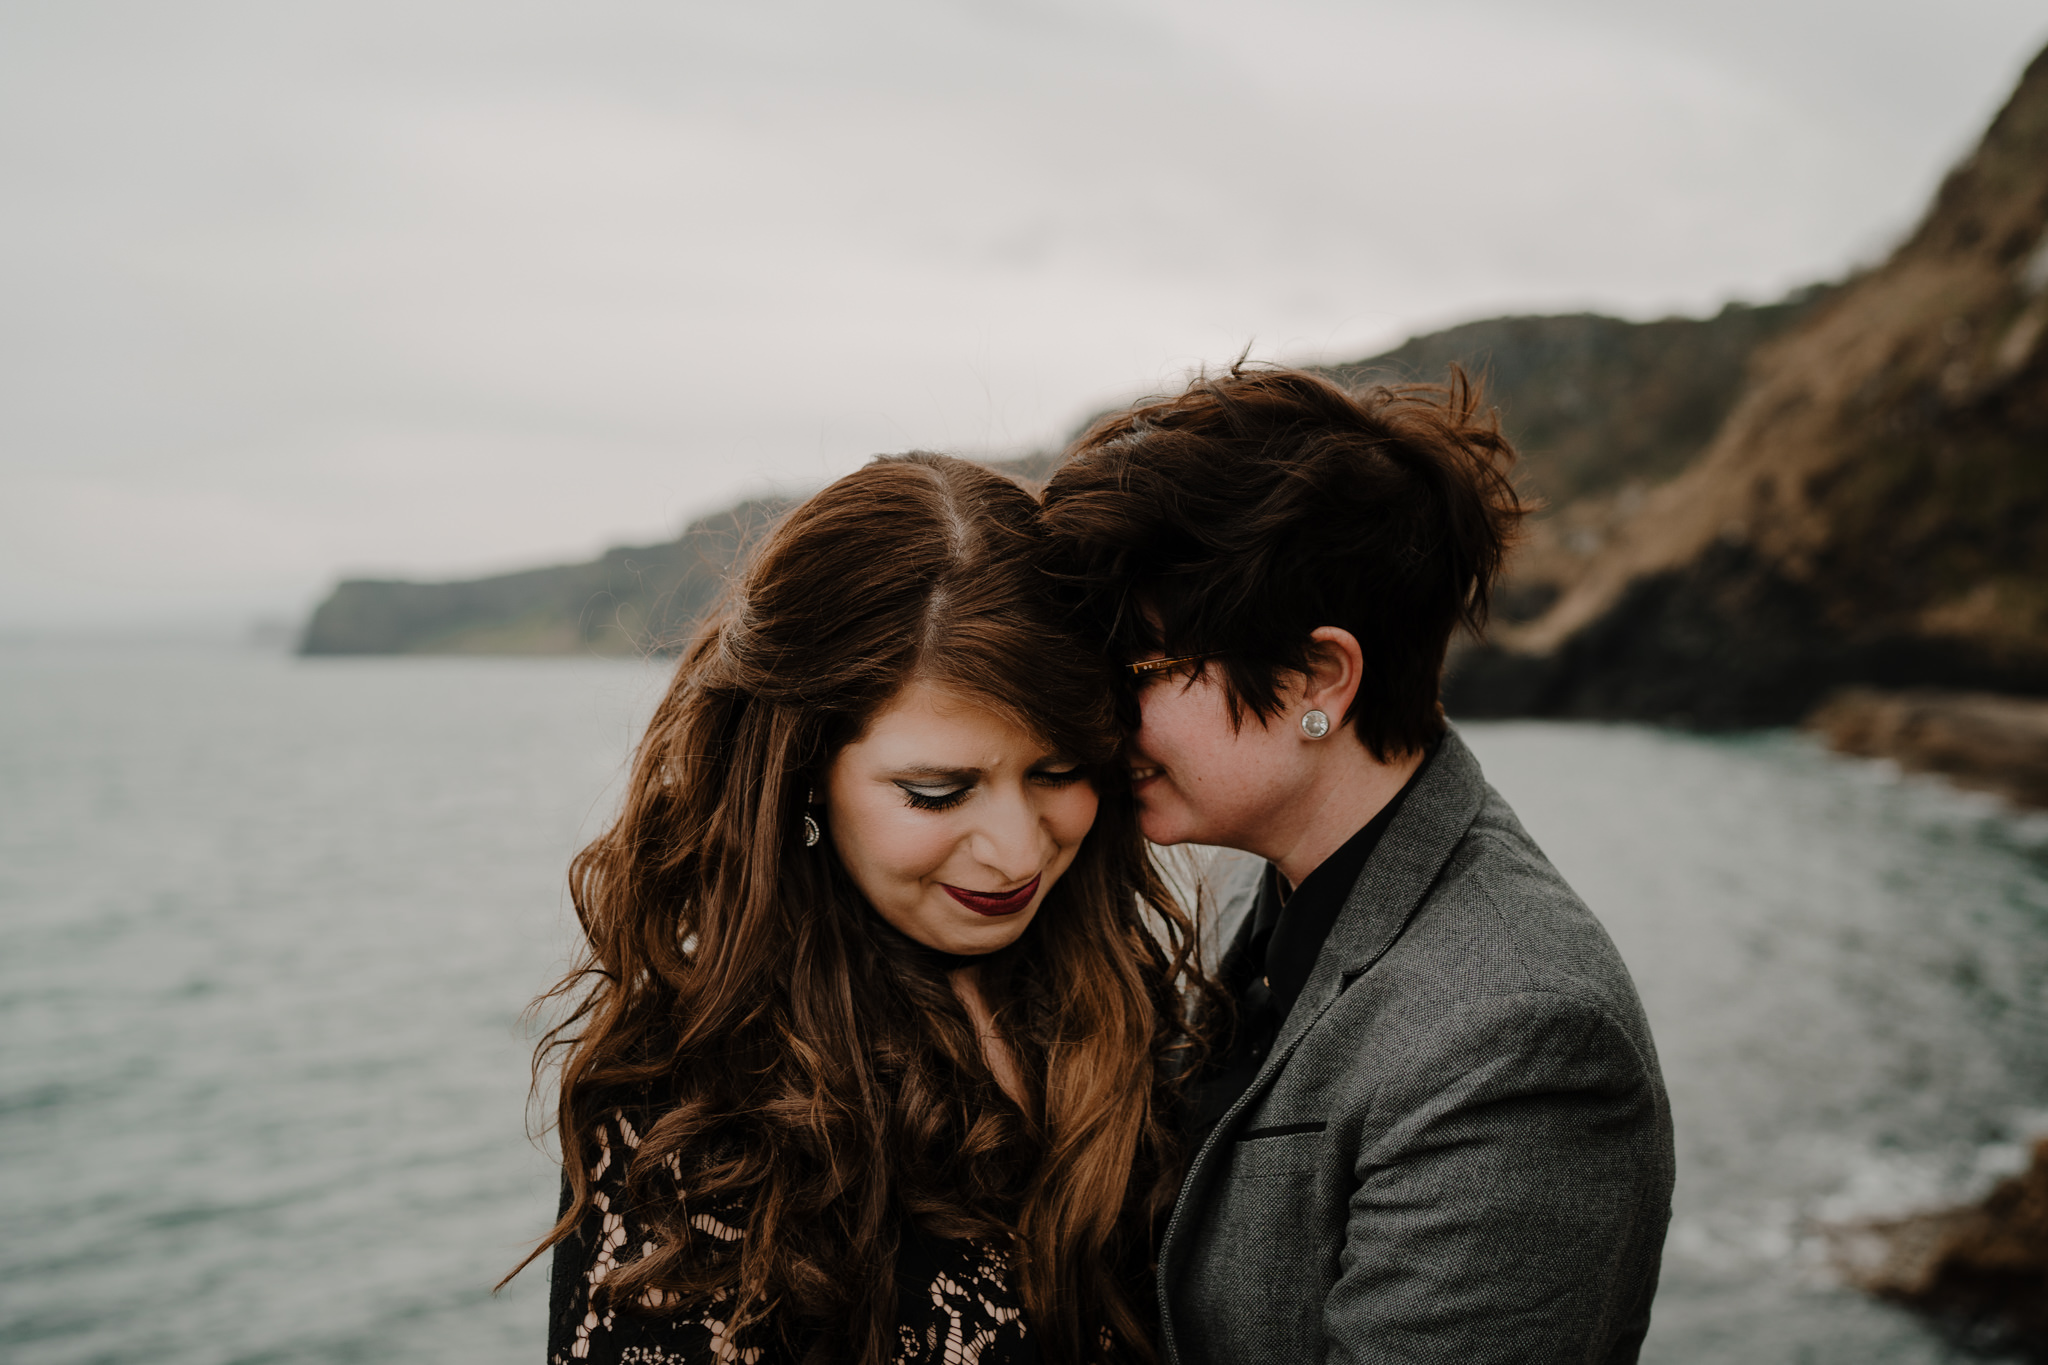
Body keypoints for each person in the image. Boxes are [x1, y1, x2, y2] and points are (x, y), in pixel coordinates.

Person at [1038, 364, 1676, 1364]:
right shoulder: (1255, 887)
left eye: (1141, 671)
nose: (1099, 712)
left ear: (1317, 678)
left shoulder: (1517, 1037)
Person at [521, 453, 1207, 1365]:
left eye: (1058, 770)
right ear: (801, 770)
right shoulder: (691, 1116)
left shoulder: (1148, 1010)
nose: (1015, 850)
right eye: (935, 792)